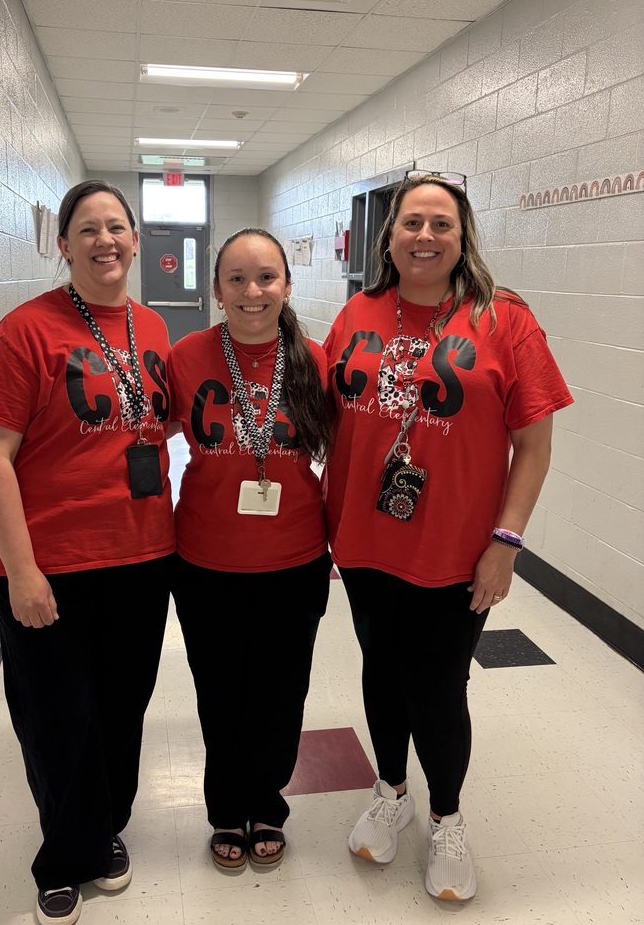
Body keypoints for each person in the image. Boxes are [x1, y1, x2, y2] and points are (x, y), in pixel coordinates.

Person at [323, 171, 573, 902]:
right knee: (379, 669)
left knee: (435, 685)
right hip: (366, 541)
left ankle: (446, 815)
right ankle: (391, 790)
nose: (425, 236)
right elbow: (334, 422)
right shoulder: (356, 314)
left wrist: (507, 541)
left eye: (442, 224)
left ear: (463, 239)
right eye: (412, 223)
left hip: (457, 548)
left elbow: (534, 443)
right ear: (389, 236)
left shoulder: (505, 320)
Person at [0, 180, 176, 925]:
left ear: (136, 239)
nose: (105, 240)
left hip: (143, 557)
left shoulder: (151, 327)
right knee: (55, 716)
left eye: (117, 227)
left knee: (122, 707)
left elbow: (151, 425)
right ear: (63, 244)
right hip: (48, 562)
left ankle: (103, 827)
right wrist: (22, 570)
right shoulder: (26, 330)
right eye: (88, 229)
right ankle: (64, 855)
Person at [166, 228, 332, 871]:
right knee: (220, 691)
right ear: (217, 290)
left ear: (287, 285)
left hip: (295, 560)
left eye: (266, 277)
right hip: (205, 561)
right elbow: (144, 442)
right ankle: (224, 809)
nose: (252, 291)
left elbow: (343, 457)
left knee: (281, 690)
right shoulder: (186, 358)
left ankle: (267, 802)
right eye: (236, 278)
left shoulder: (315, 362)